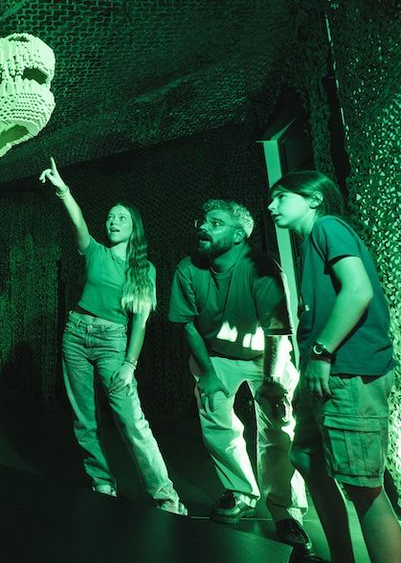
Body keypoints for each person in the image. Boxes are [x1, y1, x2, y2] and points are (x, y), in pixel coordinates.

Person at [269, 170, 401, 563]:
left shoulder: (328, 226)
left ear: (313, 198)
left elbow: (358, 290)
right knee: (305, 457)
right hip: (325, 374)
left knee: (364, 488)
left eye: (281, 197)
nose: (271, 205)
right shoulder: (311, 243)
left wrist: (323, 354)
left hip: (348, 372)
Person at [39, 157, 186, 515]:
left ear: (134, 227)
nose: (113, 221)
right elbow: (78, 221)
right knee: (84, 418)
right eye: (110, 217)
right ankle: (102, 481)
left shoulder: (143, 269)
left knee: (131, 421)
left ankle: (166, 496)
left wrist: (129, 364)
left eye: (121, 217)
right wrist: (64, 191)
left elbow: (141, 321)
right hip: (75, 334)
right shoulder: (95, 252)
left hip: (113, 343)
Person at [167, 199, 310, 549]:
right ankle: (241, 491)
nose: (202, 226)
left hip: (267, 354)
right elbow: (187, 325)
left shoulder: (261, 267)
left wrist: (275, 383)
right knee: (215, 416)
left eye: (215, 222)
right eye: (201, 219)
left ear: (238, 235)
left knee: (279, 429)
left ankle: (285, 510)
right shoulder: (188, 269)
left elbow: (278, 331)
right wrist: (209, 373)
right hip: (216, 355)